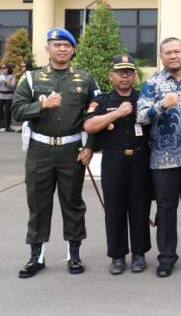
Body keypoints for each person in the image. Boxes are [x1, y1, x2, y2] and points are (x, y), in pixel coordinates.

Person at [13, 28, 100, 278]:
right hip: (40, 150)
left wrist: (90, 146)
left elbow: (94, 115)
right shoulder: (32, 78)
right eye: (57, 44)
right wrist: (42, 105)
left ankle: (74, 254)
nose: (62, 49)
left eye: (66, 45)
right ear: (47, 48)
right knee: (38, 204)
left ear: (73, 50)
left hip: (71, 150)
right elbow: (17, 111)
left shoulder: (85, 78)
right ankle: (36, 256)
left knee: (72, 203)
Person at [136, 37, 181, 278]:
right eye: (167, 52)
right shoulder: (152, 85)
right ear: (161, 57)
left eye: (176, 51)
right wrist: (161, 105)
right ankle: (166, 258)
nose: (172, 56)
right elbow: (140, 117)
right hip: (162, 158)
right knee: (166, 209)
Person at [83, 54, 152, 275]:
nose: (125, 76)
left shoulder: (144, 99)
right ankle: (118, 256)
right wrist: (118, 113)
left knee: (140, 207)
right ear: (110, 76)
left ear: (134, 75)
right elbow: (90, 126)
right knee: (114, 209)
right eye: (120, 72)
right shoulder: (102, 101)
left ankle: (139, 253)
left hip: (141, 160)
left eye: (129, 72)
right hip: (113, 161)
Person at [0, 63, 16, 131]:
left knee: (7, 111)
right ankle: (1, 124)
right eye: (3, 69)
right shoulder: (1, 75)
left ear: (9, 69)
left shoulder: (12, 76)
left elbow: (13, 86)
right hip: (1, 95)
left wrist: (7, 83)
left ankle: (7, 126)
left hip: (9, 96)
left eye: (5, 69)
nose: (4, 70)